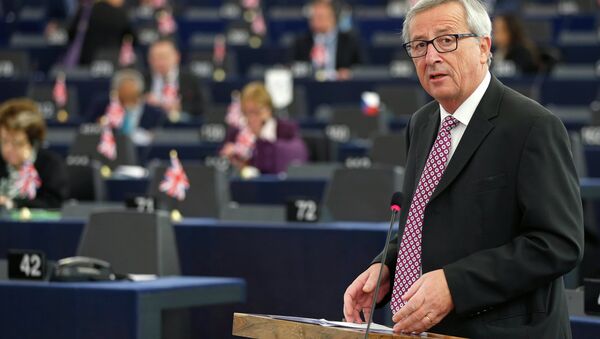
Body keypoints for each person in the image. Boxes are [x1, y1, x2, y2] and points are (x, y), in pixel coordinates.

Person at [342, 0, 583, 337]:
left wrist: (455, 285)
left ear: (484, 47)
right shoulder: (422, 123)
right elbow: (423, 221)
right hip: (427, 329)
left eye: (446, 40)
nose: (431, 57)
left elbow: (558, 243)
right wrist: (387, 266)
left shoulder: (532, 126)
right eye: (420, 45)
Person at [220, 82, 308, 174]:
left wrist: (260, 139)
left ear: (268, 110)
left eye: (256, 112)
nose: (251, 118)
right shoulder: (236, 133)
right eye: (246, 113)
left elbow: (296, 155)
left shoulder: (286, 130)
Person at [0, 98, 69, 209]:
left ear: (33, 142)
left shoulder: (50, 164)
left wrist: (11, 203)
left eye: (17, 143)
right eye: (4, 141)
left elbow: (53, 203)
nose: (8, 148)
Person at [290, 0, 363, 80]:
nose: (315, 20)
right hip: (311, 87)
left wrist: (349, 73)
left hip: (341, 87)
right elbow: (291, 67)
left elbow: (364, 68)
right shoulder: (301, 42)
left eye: (320, 17)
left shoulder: (349, 41)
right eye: (312, 17)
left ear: (332, 18)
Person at [87, 69, 165, 139]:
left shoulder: (152, 112)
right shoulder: (102, 104)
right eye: (124, 90)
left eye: (131, 91)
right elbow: (87, 127)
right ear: (117, 91)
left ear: (139, 92)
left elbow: (158, 135)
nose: (127, 94)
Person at [145, 38, 205, 120]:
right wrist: (145, 103)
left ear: (177, 57)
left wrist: (180, 107)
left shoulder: (191, 79)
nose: (160, 62)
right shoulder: (142, 80)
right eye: (155, 58)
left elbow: (203, 106)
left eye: (164, 57)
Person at [67, 0, 136, 65]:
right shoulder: (120, 14)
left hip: (87, 61)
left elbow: (71, 34)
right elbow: (133, 38)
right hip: (112, 61)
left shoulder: (85, 11)